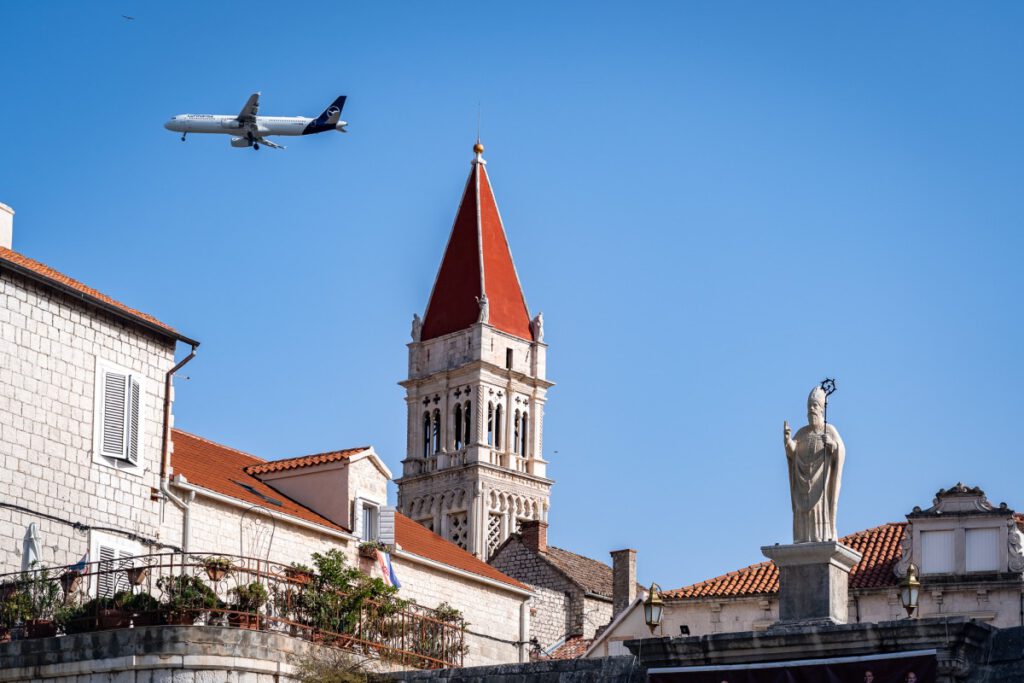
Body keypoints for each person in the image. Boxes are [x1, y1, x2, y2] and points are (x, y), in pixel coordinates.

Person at [783, 386, 846, 542]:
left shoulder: (829, 429)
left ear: (822, 410)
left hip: (821, 484)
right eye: (809, 406)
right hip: (802, 484)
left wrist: (831, 444)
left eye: (815, 405)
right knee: (802, 510)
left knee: (820, 509)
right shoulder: (802, 432)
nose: (811, 409)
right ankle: (802, 537)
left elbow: (841, 450)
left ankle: (821, 536)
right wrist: (787, 440)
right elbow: (793, 452)